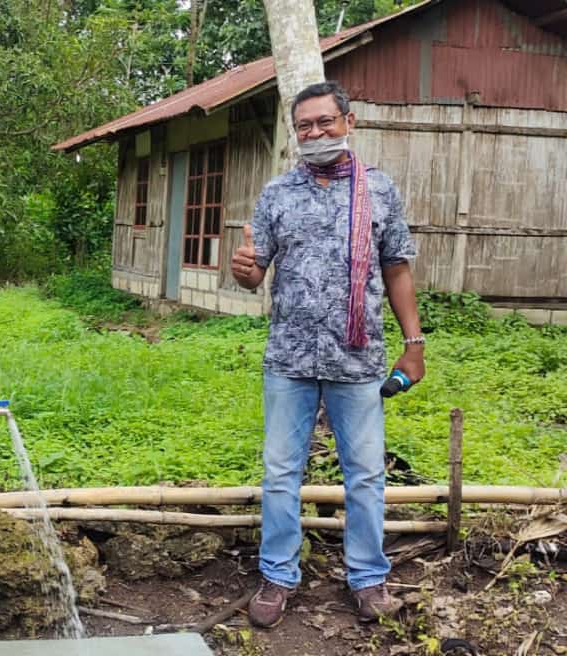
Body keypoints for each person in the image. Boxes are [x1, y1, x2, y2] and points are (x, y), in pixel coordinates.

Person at [231, 81, 425, 628]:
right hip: (289, 359)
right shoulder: (277, 195)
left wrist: (414, 345)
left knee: (364, 473)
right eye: (305, 126)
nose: (315, 133)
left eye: (324, 122)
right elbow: (253, 272)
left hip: (357, 362)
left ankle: (368, 578)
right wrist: (243, 272)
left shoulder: (380, 192)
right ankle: (276, 575)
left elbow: (397, 268)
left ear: (349, 121)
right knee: (279, 472)